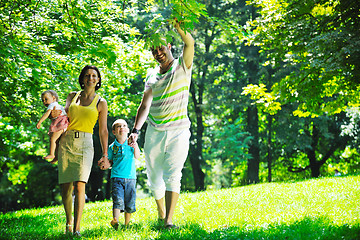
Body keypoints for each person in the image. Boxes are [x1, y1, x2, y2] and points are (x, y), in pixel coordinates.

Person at [100, 19, 195, 229]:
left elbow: (190, 44)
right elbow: (144, 106)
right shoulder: (152, 75)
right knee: (154, 177)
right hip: (154, 131)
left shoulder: (182, 66)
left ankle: (169, 220)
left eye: (161, 47)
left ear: (169, 46)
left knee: (173, 174)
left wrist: (179, 28)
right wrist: (135, 130)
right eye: (154, 50)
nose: (158, 52)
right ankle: (162, 214)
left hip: (178, 131)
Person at [52, 65, 109, 236]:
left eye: (94, 76)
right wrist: (54, 145)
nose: (90, 78)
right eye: (87, 75)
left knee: (79, 185)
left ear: (98, 80)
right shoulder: (72, 96)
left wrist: (105, 154)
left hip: (85, 144)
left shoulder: (101, 102)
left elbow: (103, 130)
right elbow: (63, 120)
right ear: (82, 79)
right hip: (66, 141)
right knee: (65, 187)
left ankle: (76, 228)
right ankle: (68, 222)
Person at [108, 119, 140, 229]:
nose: (122, 127)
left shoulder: (131, 143)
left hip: (130, 178)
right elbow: (109, 161)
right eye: (118, 126)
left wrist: (135, 145)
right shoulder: (112, 147)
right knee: (117, 200)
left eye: (124, 125)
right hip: (116, 177)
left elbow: (137, 156)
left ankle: (127, 224)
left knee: (129, 202)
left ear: (128, 130)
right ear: (114, 132)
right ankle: (115, 220)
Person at [36, 90, 69, 162]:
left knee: (53, 139)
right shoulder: (58, 105)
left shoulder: (52, 105)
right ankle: (56, 156)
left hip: (61, 124)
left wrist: (40, 122)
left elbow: (46, 114)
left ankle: (51, 154)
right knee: (56, 141)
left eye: (46, 99)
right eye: (43, 100)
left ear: (54, 98)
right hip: (63, 124)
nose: (44, 102)